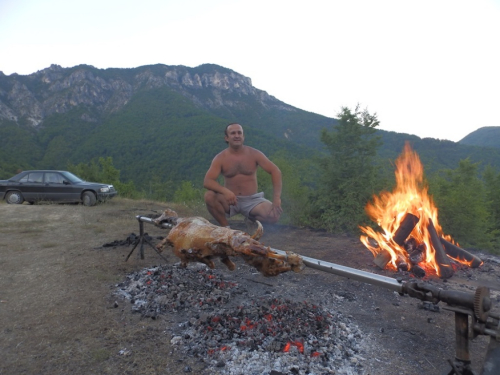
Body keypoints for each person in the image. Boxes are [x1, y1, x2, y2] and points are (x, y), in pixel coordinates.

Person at [203, 123, 283, 228]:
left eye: (239, 133)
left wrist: (277, 198)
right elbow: (208, 181)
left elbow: (275, 171)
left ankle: (251, 219)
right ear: (226, 138)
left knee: (273, 215)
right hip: (230, 200)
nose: (237, 135)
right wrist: (225, 191)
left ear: (243, 136)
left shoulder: (254, 154)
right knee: (209, 196)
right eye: (233, 133)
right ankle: (226, 228)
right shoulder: (220, 158)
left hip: (252, 200)